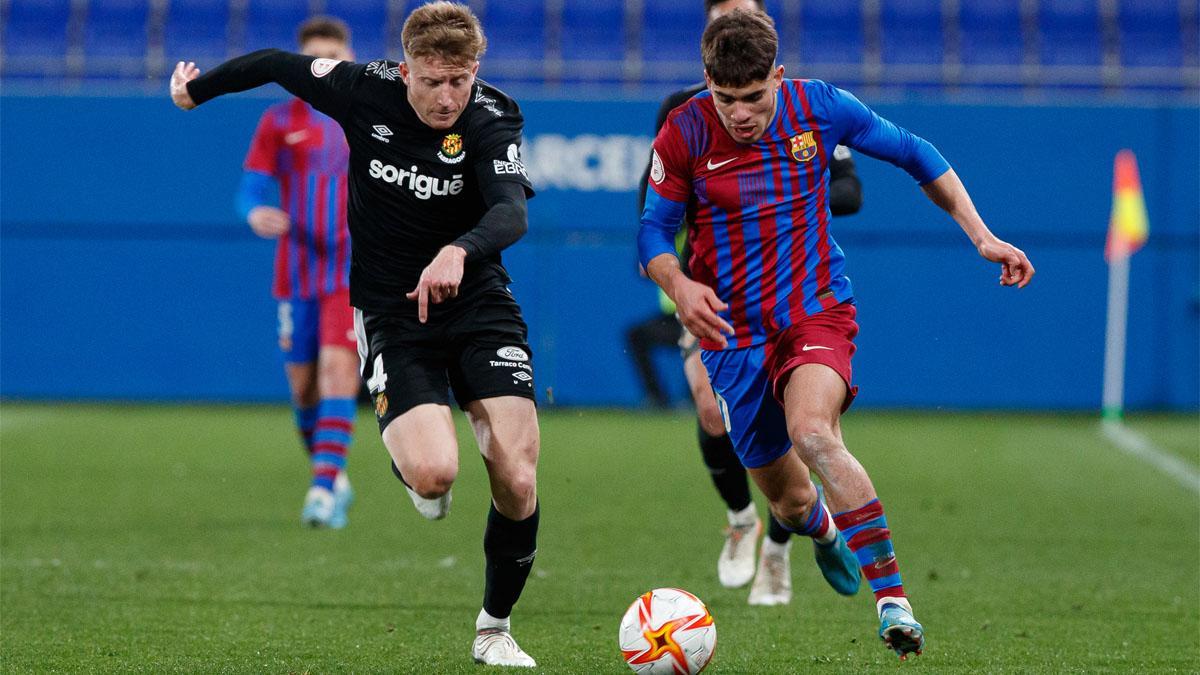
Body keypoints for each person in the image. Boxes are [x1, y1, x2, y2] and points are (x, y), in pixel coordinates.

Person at [638, 9, 1034, 660]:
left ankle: (894, 601)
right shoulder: (683, 131)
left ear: (779, 77)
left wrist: (983, 235)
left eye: (754, 97)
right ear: (706, 82)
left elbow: (916, 153)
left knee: (814, 431)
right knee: (791, 501)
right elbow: (653, 230)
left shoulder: (818, 106)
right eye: (726, 98)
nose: (739, 113)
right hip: (730, 331)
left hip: (813, 309)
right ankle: (822, 531)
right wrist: (680, 287)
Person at [171, 2, 542, 667]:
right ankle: (413, 464)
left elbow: (510, 209)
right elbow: (277, 65)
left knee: (516, 475)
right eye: (432, 81)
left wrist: (460, 249)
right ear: (406, 70)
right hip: (392, 313)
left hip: (479, 303)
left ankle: (493, 627)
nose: (447, 96)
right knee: (434, 476)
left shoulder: (492, 116)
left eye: (459, 80)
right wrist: (196, 90)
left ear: (475, 70)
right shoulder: (360, 88)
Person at [636, 0, 864, 606]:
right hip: (710, 293)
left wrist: (782, 192)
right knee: (714, 413)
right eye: (721, 17)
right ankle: (741, 520)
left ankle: (780, 548)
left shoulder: (804, 109)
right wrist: (675, 279)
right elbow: (651, 211)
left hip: (793, 292)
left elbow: (851, 188)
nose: (740, 109)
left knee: (800, 432)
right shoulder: (683, 115)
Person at [237, 16, 360, 530]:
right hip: (296, 269)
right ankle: (330, 470)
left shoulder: (372, 118)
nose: (324, 66)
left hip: (354, 268)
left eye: (333, 55)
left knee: (337, 375)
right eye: (315, 58)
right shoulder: (278, 121)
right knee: (303, 391)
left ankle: (322, 488)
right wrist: (252, 211)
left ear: (349, 57)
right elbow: (251, 185)